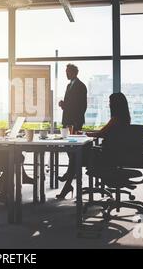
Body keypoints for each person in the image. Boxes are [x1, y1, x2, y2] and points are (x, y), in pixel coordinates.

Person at [56, 92, 131, 199]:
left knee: (76, 155)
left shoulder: (115, 119)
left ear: (115, 104)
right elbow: (104, 132)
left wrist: (84, 134)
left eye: (110, 102)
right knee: (79, 153)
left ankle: (67, 185)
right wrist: (88, 133)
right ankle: (67, 184)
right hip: (114, 155)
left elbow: (101, 133)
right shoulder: (125, 119)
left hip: (106, 157)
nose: (109, 104)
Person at [56, 64, 88, 199]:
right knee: (70, 152)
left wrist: (76, 123)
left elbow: (82, 106)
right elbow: (71, 105)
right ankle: (70, 174)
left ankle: (69, 177)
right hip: (67, 121)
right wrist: (64, 105)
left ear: (74, 72)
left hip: (75, 123)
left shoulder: (81, 86)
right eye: (66, 71)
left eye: (68, 71)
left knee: (74, 152)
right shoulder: (69, 86)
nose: (66, 73)